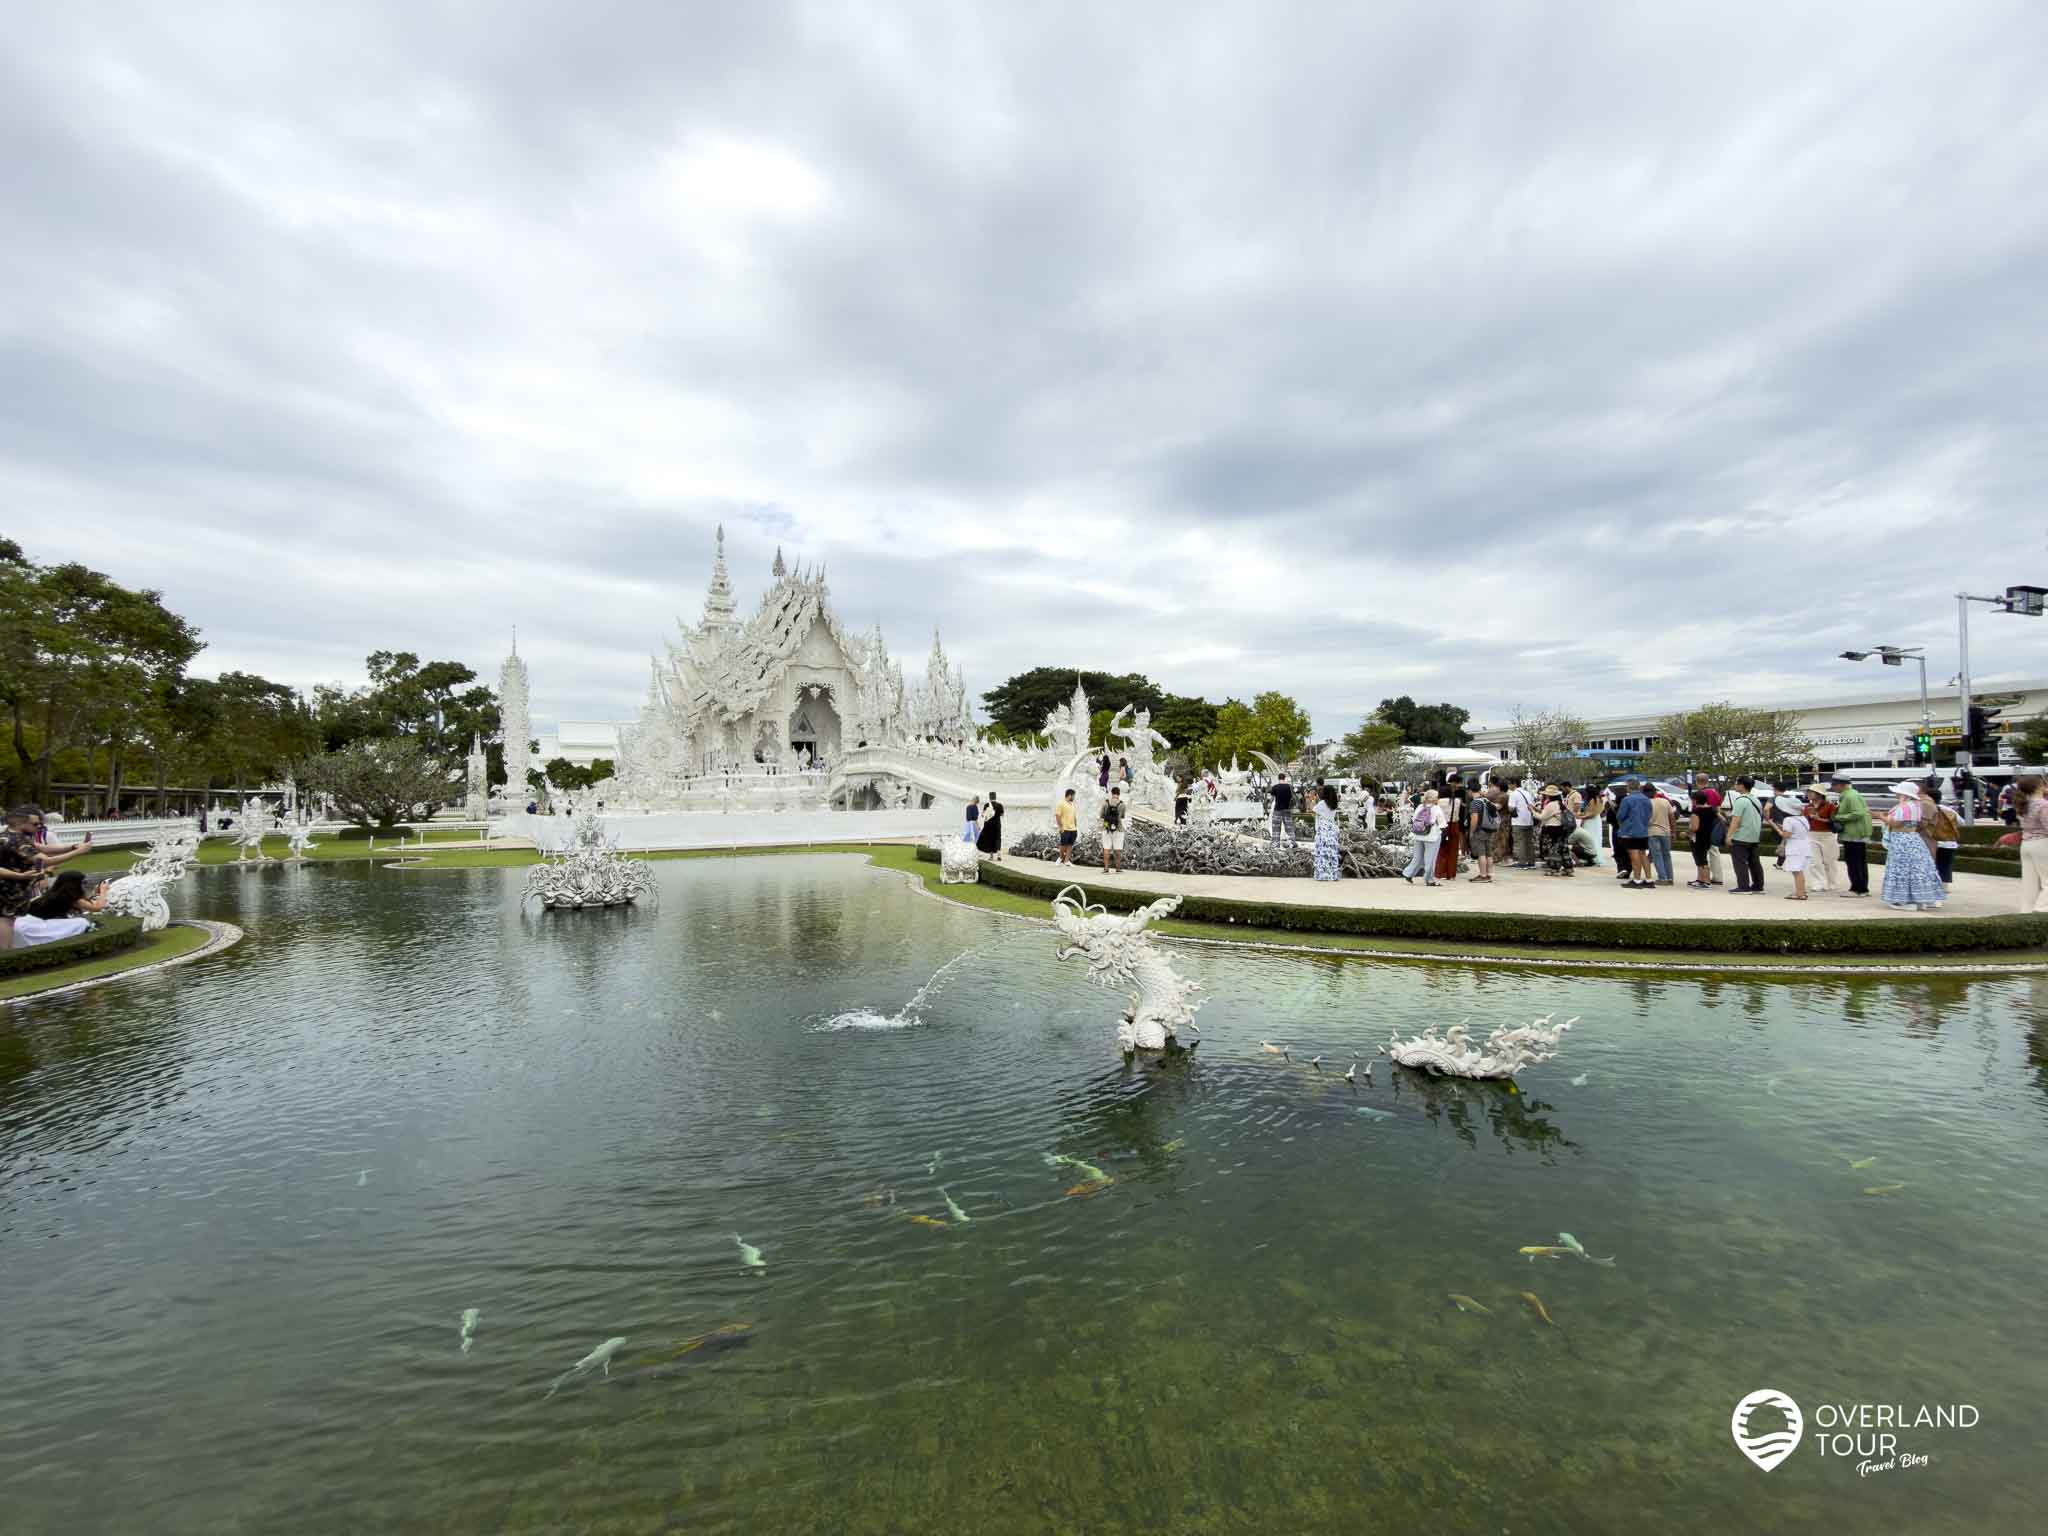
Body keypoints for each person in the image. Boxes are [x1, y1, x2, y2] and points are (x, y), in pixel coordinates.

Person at [1880, 779, 1946, 910]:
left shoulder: (1904, 806)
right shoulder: (1917, 806)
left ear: (1904, 794)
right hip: (1914, 838)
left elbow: (1897, 823)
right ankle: (1922, 899)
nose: (1897, 795)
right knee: (1919, 868)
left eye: (1898, 793)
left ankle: (1904, 901)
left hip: (1901, 839)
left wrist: (1882, 817)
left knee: (1901, 869)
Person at [2, 805, 52, 949]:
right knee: (6, 919)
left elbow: (43, 850)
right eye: (35, 824)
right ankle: (6, 954)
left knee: (8, 919)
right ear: (20, 823)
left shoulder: (11, 837)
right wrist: (77, 851)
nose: (39, 827)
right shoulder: (14, 839)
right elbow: (44, 859)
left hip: (21, 883)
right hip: (12, 886)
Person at [15, 871, 108, 945]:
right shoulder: (71, 897)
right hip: (31, 925)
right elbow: (97, 907)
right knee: (82, 923)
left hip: (21, 922)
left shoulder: (55, 893)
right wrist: (103, 890)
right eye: (82, 882)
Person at [1830, 773, 1872, 896]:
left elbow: (1858, 813)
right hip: (1856, 833)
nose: (1833, 787)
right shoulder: (1851, 795)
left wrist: (1839, 817)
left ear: (1842, 785)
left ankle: (1857, 889)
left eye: (1835, 785)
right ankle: (1862, 888)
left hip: (1853, 833)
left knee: (1854, 862)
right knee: (1859, 861)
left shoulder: (1850, 796)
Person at [1723, 777, 1766, 894]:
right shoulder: (1755, 800)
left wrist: (1729, 835)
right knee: (1754, 862)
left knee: (1740, 862)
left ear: (1742, 785)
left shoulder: (1740, 800)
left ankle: (1743, 886)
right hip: (1754, 835)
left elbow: (1736, 820)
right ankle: (1758, 886)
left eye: (1737, 784)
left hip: (1741, 835)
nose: (1735, 786)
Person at [2014, 774, 2048, 913]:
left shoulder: (2024, 804)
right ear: (2040, 787)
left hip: (2027, 844)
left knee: (2030, 883)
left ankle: (2026, 913)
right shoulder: (2043, 805)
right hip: (2042, 844)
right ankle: (2040, 910)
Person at [1773, 794, 1817, 900]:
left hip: (1795, 847)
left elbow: (1786, 835)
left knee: (1797, 871)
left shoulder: (1788, 820)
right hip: (1805, 846)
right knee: (1800, 870)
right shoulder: (1803, 818)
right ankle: (1801, 891)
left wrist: (1778, 829)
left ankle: (1800, 893)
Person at [1401, 789, 1446, 885]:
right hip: (1432, 836)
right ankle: (1429, 879)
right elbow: (1442, 824)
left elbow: (1414, 819)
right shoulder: (1436, 808)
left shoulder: (1420, 807)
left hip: (1418, 835)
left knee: (1417, 857)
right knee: (1430, 859)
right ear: (1434, 799)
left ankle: (1408, 873)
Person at [1615, 780, 1654, 889]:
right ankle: (1649, 879)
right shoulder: (1646, 799)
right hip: (1643, 830)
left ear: (1629, 787)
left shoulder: (1627, 800)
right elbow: (1650, 814)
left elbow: (1620, 815)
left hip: (1630, 830)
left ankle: (1637, 879)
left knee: (1634, 855)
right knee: (1643, 854)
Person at [1801, 787, 1840, 893]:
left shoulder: (1830, 806)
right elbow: (1805, 821)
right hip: (1812, 834)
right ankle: (1818, 883)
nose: (1808, 794)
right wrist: (1809, 817)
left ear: (1819, 794)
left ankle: (1832, 883)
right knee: (1814, 861)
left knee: (1830, 860)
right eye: (1808, 792)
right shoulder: (1808, 807)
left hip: (1827, 834)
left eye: (1811, 792)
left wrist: (1819, 819)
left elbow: (1834, 821)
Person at [1922, 785, 1960, 886]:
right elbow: (1962, 822)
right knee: (1946, 864)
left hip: (1932, 842)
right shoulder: (1949, 810)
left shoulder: (1926, 809)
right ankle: (1944, 886)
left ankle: (1931, 885)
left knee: (1930, 865)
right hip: (1949, 842)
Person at [1685, 793, 1724, 888]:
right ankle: (1700, 879)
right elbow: (1722, 819)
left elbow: (1694, 827)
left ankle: (1706, 881)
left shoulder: (1696, 812)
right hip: (1708, 837)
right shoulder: (1712, 810)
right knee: (1701, 858)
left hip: (1698, 838)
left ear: (1696, 800)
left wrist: (1686, 832)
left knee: (1701, 860)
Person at [1537, 786, 1575, 875]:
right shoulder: (1561, 803)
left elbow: (1542, 817)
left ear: (1548, 796)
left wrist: (1532, 811)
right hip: (1562, 829)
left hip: (1552, 829)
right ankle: (1568, 869)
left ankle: (1553, 869)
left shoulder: (1550, 805)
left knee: (1553, 849)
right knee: (1563, 849)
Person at [1433, 778, 1466, 881]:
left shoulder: (1438, 802)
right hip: (1454, 826)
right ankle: (1451, 874)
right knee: (1453, 851)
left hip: (1443, 826)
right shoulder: (1457, 801)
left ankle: (1441, 873)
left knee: (1442, 850)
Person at [1467, 778, 1499, 882]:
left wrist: (1472, 831)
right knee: (1488, 853)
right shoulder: (1486, 800)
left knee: (1481, 853)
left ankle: (1483, 875)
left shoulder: (1475, 803)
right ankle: (1489, 874)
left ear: (1470, 791)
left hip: (1480, 830)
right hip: (1489, 829)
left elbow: (1474, 818)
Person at [1646, 786, 1676, 885]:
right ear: (1655, 792)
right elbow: (1672, 817)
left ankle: (1662, 878)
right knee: (1667, 855)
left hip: (1652, 832)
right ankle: (1670, 878)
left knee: (1657, 856)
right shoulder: (1665, 801)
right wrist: (1673, 831)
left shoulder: (1646, 803)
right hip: (1666, 832)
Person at [1312, 784, 1341, 881]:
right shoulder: (1334, 804)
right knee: (1332, 852)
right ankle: (1333, 875)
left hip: (1323, 828)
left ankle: (1322, 874)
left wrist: (1313, 800)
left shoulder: (1322, 803)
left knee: (1322, 852)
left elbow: (1314, 812)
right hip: (1332, 828)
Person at [1508, 776, 1536, 867]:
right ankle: (1531, 862)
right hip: (1529, 821)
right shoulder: (1527, 793)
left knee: (1520, 842)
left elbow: (1511, 808)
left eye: (1510, 784)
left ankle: (1522, 862)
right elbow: (1532, 806)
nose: (1509, 786)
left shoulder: (1514, 793)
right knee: (1529, 842)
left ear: (1514, 784)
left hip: (1518, 821)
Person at [1100, 787, 1126, 873]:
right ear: (1119, 794)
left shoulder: (1105, 803)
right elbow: (1122, 816)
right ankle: (1118, 868)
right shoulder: (1122, 804)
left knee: (1106, 848)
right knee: (1117, 849)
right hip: (1118, 828)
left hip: (1106, 828)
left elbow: (1102, 815)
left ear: (1111, 793)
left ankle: (1106, 868)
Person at [976, 791, 1004, 860]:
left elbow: (982, 815)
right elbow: (1002, 815)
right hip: (997, 824)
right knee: (997, 838)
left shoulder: (986, 805)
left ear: (989, 797)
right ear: (995, 797)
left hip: (988, 825)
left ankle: (991, 856)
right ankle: (999, 855)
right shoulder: (1000, 805)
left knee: (990, 839)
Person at [1270, 773, 1296, 845]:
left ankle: (1276, 843)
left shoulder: (1275, 787)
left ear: (1278, 778)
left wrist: (1268, 805)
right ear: (1285, 778)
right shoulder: (1289, 787)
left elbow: (1271, 800)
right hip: (1287, 810)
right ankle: (1292, 843)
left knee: (1276, 828)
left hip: (1277, 810)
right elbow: (1293, 797)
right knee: (1289, 827)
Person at [1055, 788, 1079, 864]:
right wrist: (1060, 827)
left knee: (1070, 845)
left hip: (1073, 829)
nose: (1074, 798)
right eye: (1073, 796)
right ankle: (1061, 858)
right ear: (1070, 795)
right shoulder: (1061, 803)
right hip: (1065, 828)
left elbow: (1074, 816)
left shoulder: (1072, 805)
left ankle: (1066, 861)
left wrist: (1075, 826)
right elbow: (1057, 815)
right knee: (1063, 845)